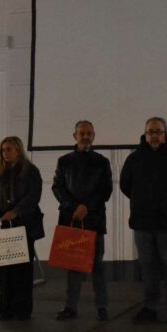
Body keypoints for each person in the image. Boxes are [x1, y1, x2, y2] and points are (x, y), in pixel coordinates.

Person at [119, 117, 167, 326]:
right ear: (144, 134)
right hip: (142, 224)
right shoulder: (134, 159)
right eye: (151, 131)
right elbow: (126, 186)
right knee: (148, 268)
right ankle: (150, 308)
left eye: (158, 132)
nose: (154, 135)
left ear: (165, 134)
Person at [52, 120, 114, 321]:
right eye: (82, 133)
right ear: (75, 136)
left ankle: (102, 307)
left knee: (97, 265)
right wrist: (73, 206)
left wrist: (86, 206)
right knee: (72, 265)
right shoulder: (64, 161)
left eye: (89, 133)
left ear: (93, 136)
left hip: (94, 219)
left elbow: (105, 190)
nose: (85, 136)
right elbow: (57, 188)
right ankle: (70, 307)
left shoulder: (102, 161)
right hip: (71, 220)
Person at [0, 136, 45, 321]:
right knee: (4, 269)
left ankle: (22, 309)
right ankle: (5, 308)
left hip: (23, 226)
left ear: (18, 150)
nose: (5, 153)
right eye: (3, 150)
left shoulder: (30, 172)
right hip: (1, 227)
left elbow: (33, 196)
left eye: (9, 149)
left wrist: (16, 212)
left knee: (22, 270)